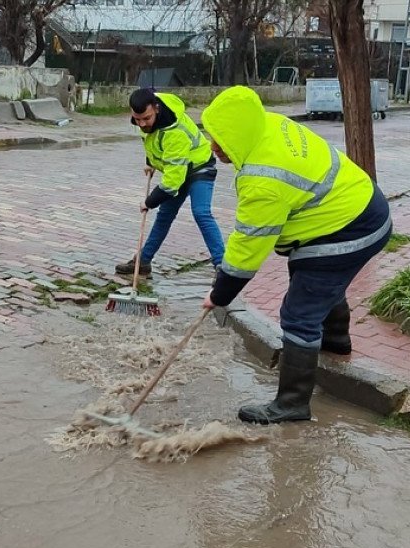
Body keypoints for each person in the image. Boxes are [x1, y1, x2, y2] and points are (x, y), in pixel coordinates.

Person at [200, 86, 392, 424]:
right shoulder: (268, 125)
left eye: (219, 139)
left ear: (237, 133)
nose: (214, 148)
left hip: (347, 228)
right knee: (315, 282)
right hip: (362, 208)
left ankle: (292, 403)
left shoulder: (263, 177)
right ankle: (335, 342)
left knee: (299, 312)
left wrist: (220, 293)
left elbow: (249, 246)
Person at [115, 88, 226, 279]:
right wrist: (151, 162)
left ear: (156, 109)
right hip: (177, 169)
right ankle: (143, 262)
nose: (142, 124)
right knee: (164, 216)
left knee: (201, 212)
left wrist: (149, 202)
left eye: (146, 119)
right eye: (137, 119)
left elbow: (171, 183)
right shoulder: (147, 116)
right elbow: (152, 141)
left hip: (199, 168)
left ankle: (222, 265)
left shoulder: (175, 132)